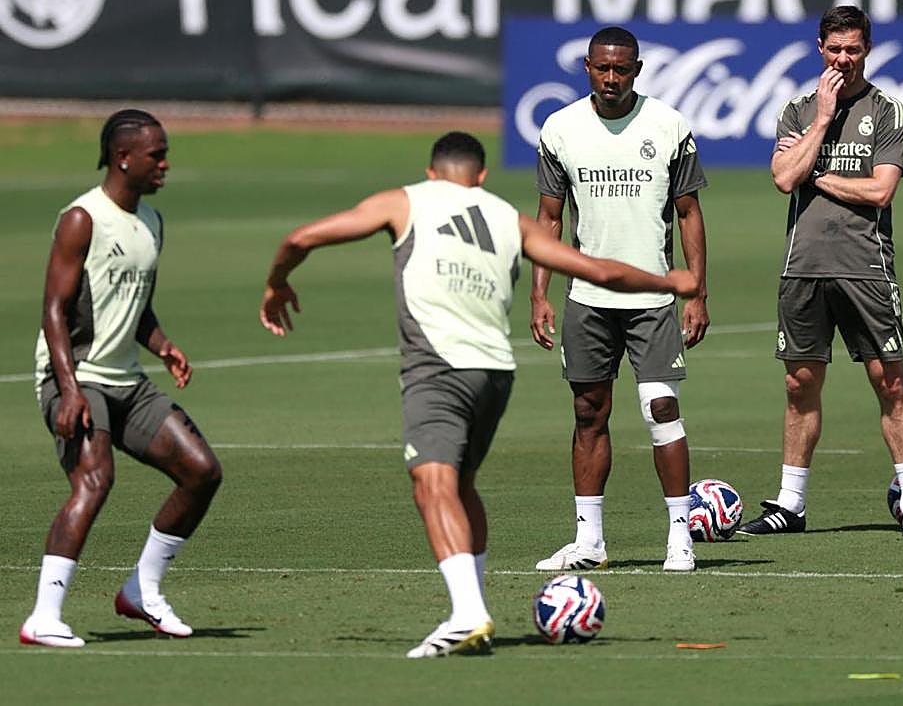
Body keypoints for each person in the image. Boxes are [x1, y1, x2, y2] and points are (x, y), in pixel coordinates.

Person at [259, 131, 698, 658]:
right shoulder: (507, 217)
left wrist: (278, 282)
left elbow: (302, 238)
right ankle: (475, 607)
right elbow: (598, 270)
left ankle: (467, 614)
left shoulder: (405, 201)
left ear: (430, 172)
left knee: (431, 485)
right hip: (494, 374)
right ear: (482, 176)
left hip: (437, 368)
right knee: (461, 484)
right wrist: (669, 281)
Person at [20, 110, 223, 649]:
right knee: (94, 479)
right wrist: (67, 389)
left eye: (165, 153)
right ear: (123, 157)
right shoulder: (82, 219)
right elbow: (54, 310)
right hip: (76, 375)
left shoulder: (152, 221)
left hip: (127, 382)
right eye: (156, 155)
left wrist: (162, 345)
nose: (165, 163)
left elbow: (137, 306)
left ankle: (142, 590)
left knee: (202, 472)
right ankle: (44, 615)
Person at [740, 5, 903, 538]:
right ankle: (790, 503)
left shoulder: (888, 110)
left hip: (866, 264)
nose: (843, 59)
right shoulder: (800, 110)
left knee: (889, 381)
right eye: (834, 49)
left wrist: (815, 173)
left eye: (853, 49)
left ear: (867, 49)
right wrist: (822, 121)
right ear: (819, 49)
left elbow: (880, 190)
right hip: (803, 266)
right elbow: (782, 179)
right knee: (799, 383)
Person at [529, 26, 710, 574]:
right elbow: (549, 219)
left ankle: (681, 535)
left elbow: (688, 214)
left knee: (661, 410)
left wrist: (696, 292)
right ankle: (589, 541)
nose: (612, 78)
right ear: (587, 67)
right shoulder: (560, 129)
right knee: (588, 413)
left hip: (652, 296)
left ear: (638, 68)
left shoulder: (668, 125)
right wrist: (539, 293)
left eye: (622, 69)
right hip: (587, 298)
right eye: (602, 68)